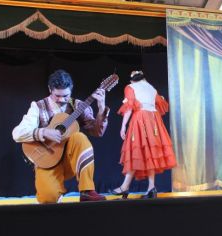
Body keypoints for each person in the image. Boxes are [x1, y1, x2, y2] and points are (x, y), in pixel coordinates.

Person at [12, 69, 110, 203]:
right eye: (57, 96)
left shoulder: (78, 105)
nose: (61, 99)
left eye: (65, 95)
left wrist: (101, 107)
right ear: (49, 89)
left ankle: (86, 191)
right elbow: (17, 133)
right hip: (48, 161)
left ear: (71, 90)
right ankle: (54, 190)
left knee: (79, 137)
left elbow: (97, 132)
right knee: (48, 199)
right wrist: (44, 132)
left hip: (71, 161)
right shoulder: (38, 106)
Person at [111, 70, 177, 199]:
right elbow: (161, 104)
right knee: (149, 154)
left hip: (140, 119)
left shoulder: (130, 87)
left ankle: (125, 187)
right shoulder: (151, 88)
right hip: (154, 120)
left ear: (132, 80)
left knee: (136, 152)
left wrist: (123, 125)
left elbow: (129, 107)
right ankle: (151, 188)